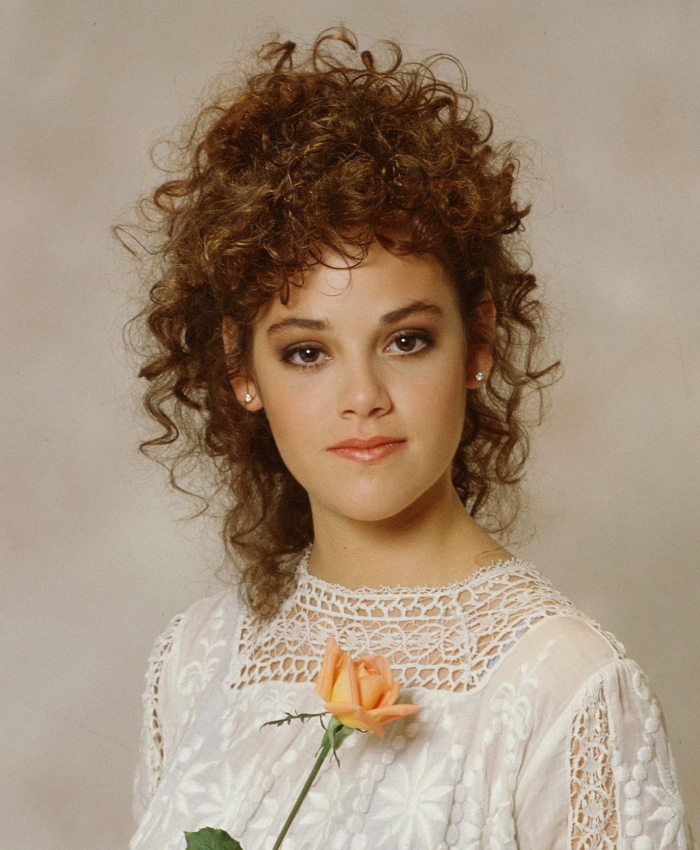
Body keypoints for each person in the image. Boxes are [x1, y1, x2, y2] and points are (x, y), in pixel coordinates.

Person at [124, 28, 692, 850]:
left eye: (406, 340)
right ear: (241, 371)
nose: (363, 399)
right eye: (307, 352)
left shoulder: (565, 688)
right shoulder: (193, 663)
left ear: (479, 342)